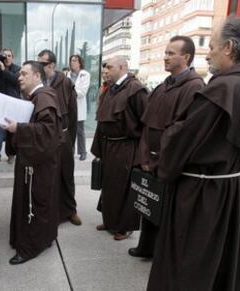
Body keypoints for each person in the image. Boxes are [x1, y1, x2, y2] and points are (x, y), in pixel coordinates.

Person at [146, 17, 240, 291]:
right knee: (218, 262)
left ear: (228, 47)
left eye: (213, 46)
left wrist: (169, 136)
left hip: (202, 194)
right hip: (231, 188)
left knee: (188, 264)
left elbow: (182, 140)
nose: (209, 53)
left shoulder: (224, 88)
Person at [128, 36, 205, 259]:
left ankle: (162, 253)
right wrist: (144, 156)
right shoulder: (163, 86)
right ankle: (147, 246)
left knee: (167, 209)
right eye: (166, 52)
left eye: (171, 53)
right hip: (149, 160)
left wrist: (157, 160)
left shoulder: (194, 86)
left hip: (170, 161)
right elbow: (147, 125)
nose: (165, 57)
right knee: (150, 204)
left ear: (186, 57)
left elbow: (181, 132)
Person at [4, 61, 62, 265]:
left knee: (35, 203)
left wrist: (19, 129)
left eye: (24, 74)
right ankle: (42, 238)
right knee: (38, 202)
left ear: (37, 76)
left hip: (38, 165)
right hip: (33, 161)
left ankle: (30, 247)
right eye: (19, 74)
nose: (19, 77)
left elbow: (48, 133)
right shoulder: (36, 97)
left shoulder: (44, 97)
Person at [91, 56, 148, 240]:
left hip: (126, 147)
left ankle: (124, 227)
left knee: (124, 188)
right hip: (109, 146)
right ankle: (110, 221)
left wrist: (143, 154)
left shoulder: (135, 89)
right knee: (109, 186)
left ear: (122, 67)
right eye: (105, 68)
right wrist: (98, 149)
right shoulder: (110, 89)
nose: (105, 71)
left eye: (109, 67)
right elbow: (102, 122)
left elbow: (146, 122)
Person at [37, 49, 81, 225]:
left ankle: (70, 210)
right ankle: (51, 211)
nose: (38, 67)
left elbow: (73, 112)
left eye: (42, 64)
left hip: (63, 136)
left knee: (66, 175)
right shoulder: (37, 82)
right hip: (44, 137)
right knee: (48, 176)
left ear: (52, 65)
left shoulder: (66, 82)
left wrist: (71, 140)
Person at [0, 48, 20, 165]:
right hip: (0, 104)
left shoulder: (17, 69)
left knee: (12, 132)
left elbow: (16, 81)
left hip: (13, 104)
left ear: (12, 57)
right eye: (4, 56)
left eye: (9, 55)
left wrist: (4, 70)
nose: (7, 58)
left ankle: (11, 154)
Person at [67, 54, 90, 161]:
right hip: (69, 107)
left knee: (80, 131)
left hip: (79, 107)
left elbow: (82, 92)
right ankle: (70, 151)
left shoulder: (85, 74)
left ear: (80, 62)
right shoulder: (67, 74)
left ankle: (82, 152)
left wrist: (71, 90)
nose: (72, 62)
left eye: (75, 60)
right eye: (71, 60)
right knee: (70, 131)